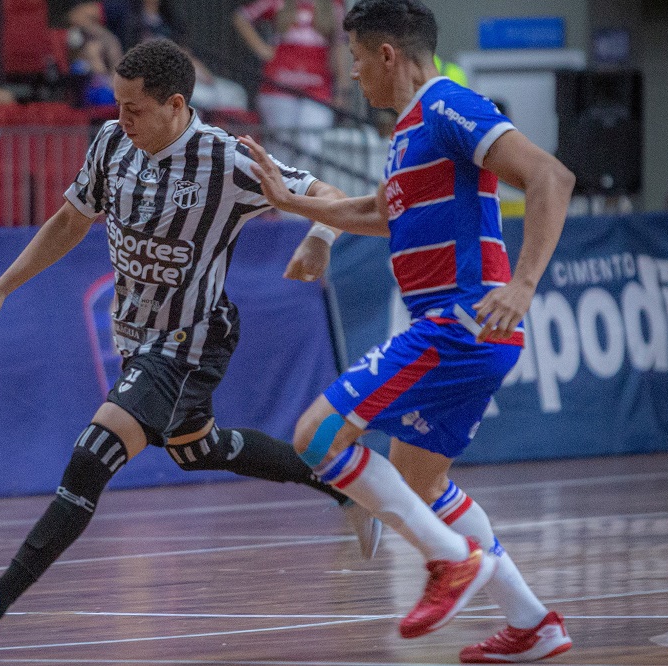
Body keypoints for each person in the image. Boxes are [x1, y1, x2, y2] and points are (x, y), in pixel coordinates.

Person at [0, 37, 497, 648]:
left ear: (176, 105)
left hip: (191, 340)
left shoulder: (226, 160)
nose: (120, 120)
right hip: (137, 339)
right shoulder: (110, 145)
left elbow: (330, 196)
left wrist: (319, 237)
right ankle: (341, 486)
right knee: (197, 450)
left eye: (133, 109)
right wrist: (0, 290)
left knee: (92, 454)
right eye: (117, 107)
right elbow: (71, 221)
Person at [239, 0, 576, 662]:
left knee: (317, 435)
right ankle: (532, 623)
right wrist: (290, 205)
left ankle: (450, 561)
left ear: (388, 55)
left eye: (359, 63)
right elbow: (379, 211)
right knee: (421, 484)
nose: (355, 77)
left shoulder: (447, 103)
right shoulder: (408, 131)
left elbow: (550, 177)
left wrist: (523, 284)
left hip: (459, 323)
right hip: (464, 330)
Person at [233, 0, 351, 166]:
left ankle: (300, 190)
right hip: (278, 87)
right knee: (281, 149)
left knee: (310, 147)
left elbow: (339, 47)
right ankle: (278, 190)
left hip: (318, 88)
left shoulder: (334, 5)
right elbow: (242, 17)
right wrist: (262, 49)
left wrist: (342, 90)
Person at [134, 0, 248, 113]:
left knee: (235, 93)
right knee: (200, 99)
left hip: (182, 74)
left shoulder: (168, 18)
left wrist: (202, 73)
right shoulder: (131, 18)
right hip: (155, 80)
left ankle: (221, 131)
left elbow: (184, 52)